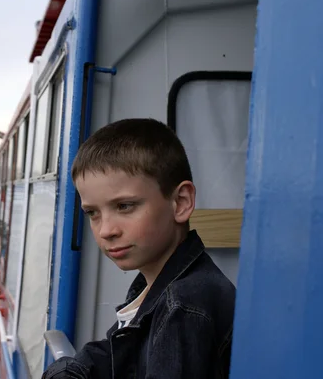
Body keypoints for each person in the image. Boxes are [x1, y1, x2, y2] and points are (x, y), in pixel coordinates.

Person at [43, 118, 236, 379]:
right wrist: (71, 370)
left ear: (180, 202)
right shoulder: (157, 283)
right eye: (92, 213)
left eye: (124, 206)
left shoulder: (182, 308)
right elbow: (119, 351)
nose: (106, 230)